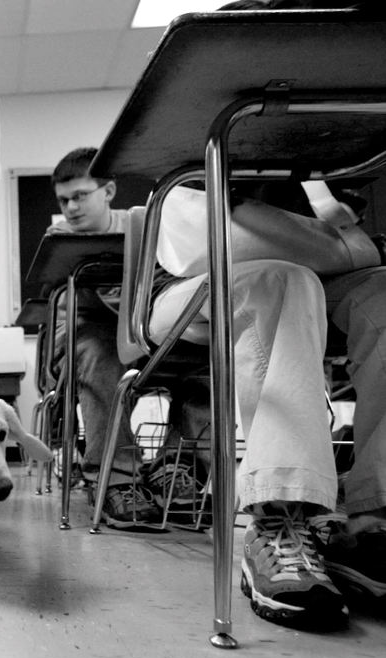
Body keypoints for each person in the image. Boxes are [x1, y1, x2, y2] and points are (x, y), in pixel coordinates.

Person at [150, 171, 386, 628]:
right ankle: (279, 520)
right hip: (192, 283)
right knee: (283, 280)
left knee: (381, 293)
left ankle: (373, 519)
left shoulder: (326, 161)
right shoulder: (202, 139)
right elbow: (202, 240)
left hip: (319, 272)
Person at [46, 147, 162, 528]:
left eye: (80, 196)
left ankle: (182, 471)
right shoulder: (58, 239)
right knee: (100, 350)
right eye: (64, 200)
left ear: (108, 191)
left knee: (199, 354)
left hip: (137, 332)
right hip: (80, 339)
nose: (71, 208)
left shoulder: (139, 228)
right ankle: (113, 478)